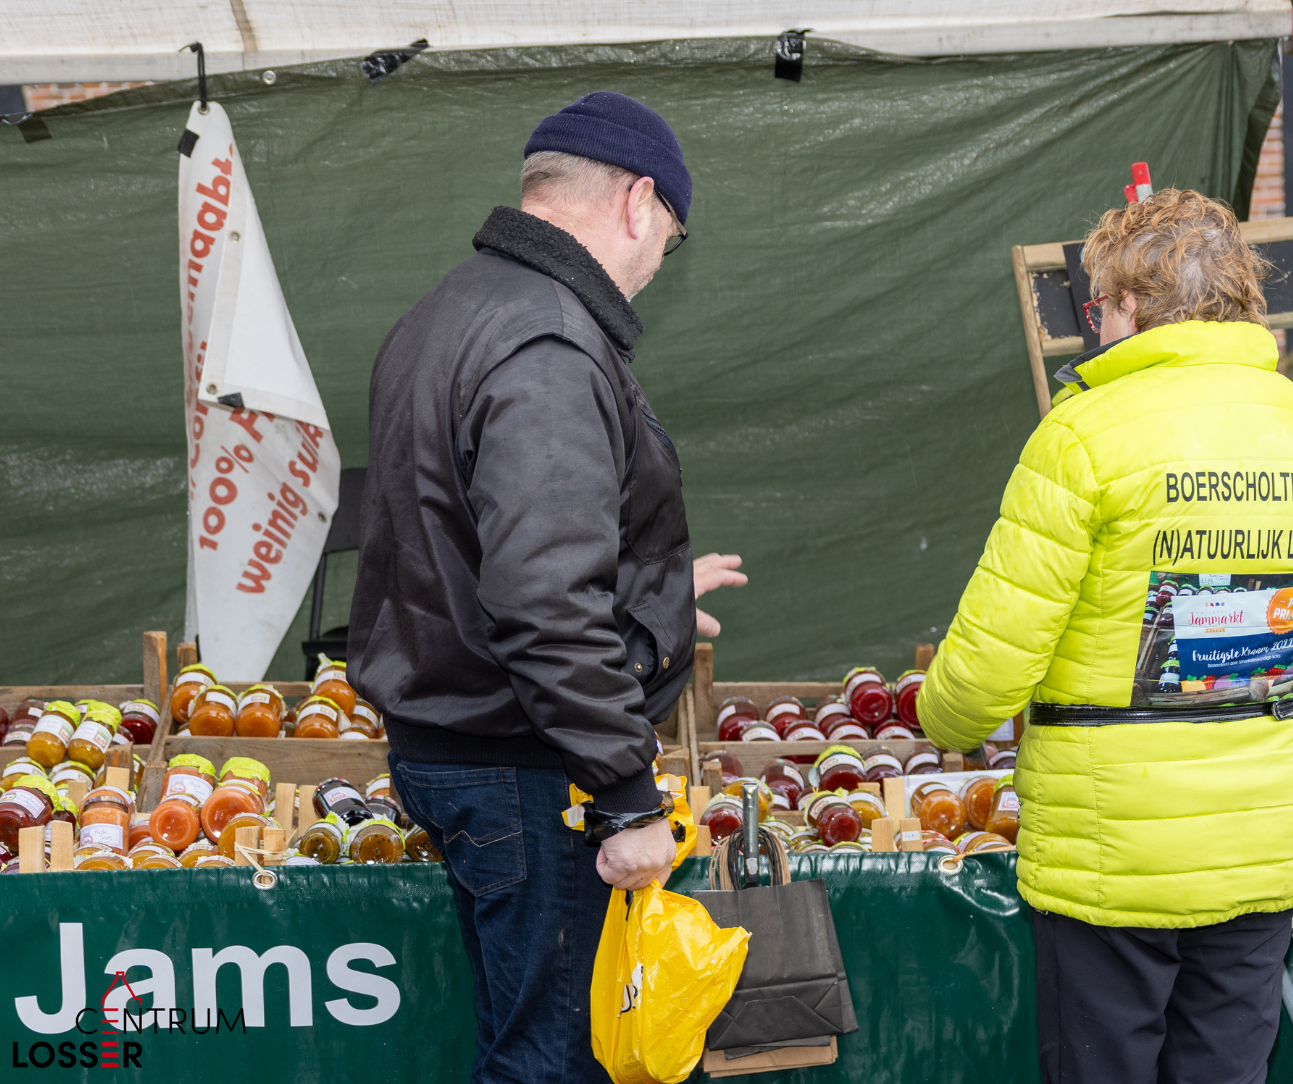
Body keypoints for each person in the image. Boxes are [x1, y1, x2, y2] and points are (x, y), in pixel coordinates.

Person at [347, 91, 745, 1084]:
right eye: (672, 237)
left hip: (459, 748)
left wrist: (653, 598)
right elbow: (539, 599)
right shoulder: (553, 343)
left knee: (531, 1047)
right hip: (529, 771)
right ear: (639, 202)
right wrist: (623, 796)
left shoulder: (445, 313)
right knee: (553, 1064)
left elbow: (468, 546)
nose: (660, 262)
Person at [918, 188, 1293, 1084]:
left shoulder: (1082, 436)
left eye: (1100, 304)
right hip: (1262, 846)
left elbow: (978, 682)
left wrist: (938, 715)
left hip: (1111, 860)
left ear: (1129, 304)